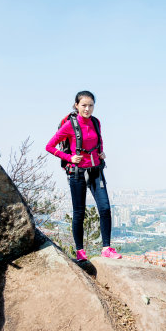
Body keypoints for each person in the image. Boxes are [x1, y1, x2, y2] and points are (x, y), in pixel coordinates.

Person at [46, 90, 122, 262]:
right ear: (76, 105)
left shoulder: (96, 122)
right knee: (79, 213)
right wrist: (69, 157)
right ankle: (80, 252)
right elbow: (49, 146)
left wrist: (101, 153)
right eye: (84, 105)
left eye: (91, 105)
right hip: (77, 172)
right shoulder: (69, 125)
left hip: (96, 170)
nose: (87, 109)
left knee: (105, 209)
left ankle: (106, 248)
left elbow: (98, 142)